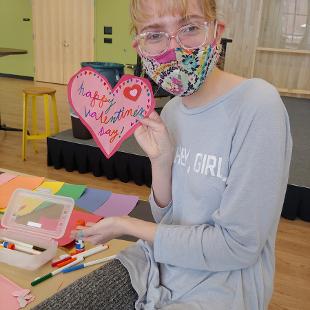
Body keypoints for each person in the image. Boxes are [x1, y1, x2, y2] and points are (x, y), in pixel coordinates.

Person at [34, 0, 292, 309]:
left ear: (216, 33)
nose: (175, 48)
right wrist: (161, 161)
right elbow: (168, 219)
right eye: (155, 35)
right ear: (140, 48)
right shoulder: (171, 111)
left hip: (223, 287)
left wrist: (126, 226)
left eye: (190, 28)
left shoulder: (258, 105)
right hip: (154, 265)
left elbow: (237, 247)